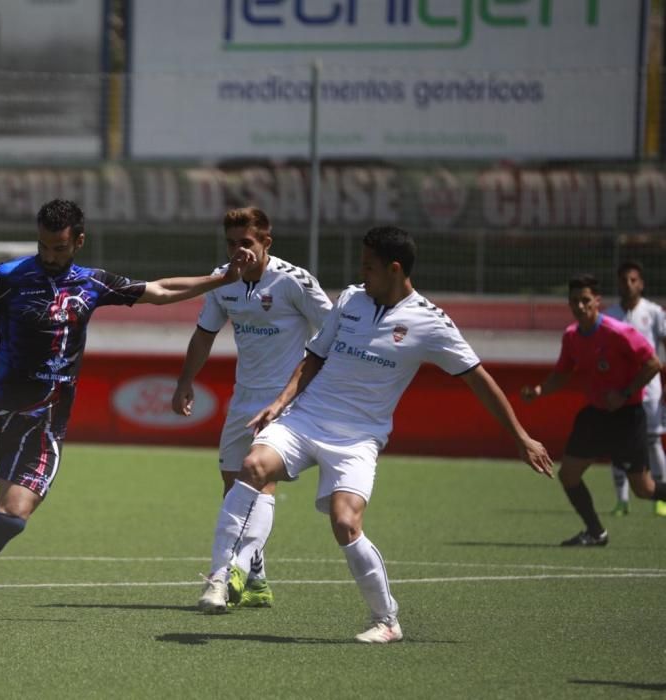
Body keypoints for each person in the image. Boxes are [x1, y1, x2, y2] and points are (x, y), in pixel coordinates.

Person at [0, 199, 256, 625]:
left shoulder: (93, 283)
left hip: (48, 418)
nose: (50, 256)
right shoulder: (7, 277)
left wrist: (221, 278)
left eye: (59, 248)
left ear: (79, 241)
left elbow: (159, 292)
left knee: (12, 519)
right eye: (44, 247)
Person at [197, 225, 553, 644]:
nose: (361, 272)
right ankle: (222, 575)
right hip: (306, 418)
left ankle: (387, 620)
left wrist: (521, 437)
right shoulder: (350, 300)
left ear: (395, 268)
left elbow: (479, 379)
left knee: (345, 522)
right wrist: (279, 404)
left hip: (358, 438)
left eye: (369, 265)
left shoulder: (430, 322)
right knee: (253, 465)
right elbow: (313, 357)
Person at [172, 207, 331, 609]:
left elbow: (333, 336)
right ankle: (257, 581)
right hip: (244, 399)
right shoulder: (223, 280)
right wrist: (185, 382)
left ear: (266, 243)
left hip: (288, 402)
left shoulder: (294, 282)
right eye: (231, 243)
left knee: (257, 481)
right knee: (233, 490)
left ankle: (227, 574)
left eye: (246, 242)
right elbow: (204, 334)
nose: (237, 250)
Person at [521, 273, 666, 546]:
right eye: (574, 301)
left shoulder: (618, 332)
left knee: (644, 489)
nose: (580, 306)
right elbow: (562, 373)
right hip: (596, 415)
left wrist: (623, 394)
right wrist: (539, 391)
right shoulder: (572, 336)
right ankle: (596, 532)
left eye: (585, 300)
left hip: (627, 416)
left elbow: (653, 364)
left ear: (597, 301)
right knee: (568, 474)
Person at [603, 261, 666, 517]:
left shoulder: (654, 313)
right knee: (617, 444)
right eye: (623, 280)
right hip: (617, 394)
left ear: (641, 283)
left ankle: (660, 500)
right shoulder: (609, 315)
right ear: (618, 283)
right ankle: (622, 501)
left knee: (652, 443)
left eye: (633, 280)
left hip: (649, 393)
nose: (628, 285)